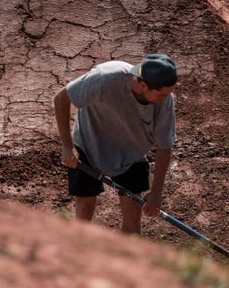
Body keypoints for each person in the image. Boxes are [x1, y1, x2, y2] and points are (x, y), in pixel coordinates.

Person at [54, 54, 177, 235]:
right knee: (84, 210)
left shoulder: (165, 101)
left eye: (168, 92)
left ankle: (127, 262)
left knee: (133, 217)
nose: (166, 98)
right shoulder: (106, 78)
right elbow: (61, 99)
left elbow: (164, 147)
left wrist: (157, 192)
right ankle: (78, 256)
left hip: (131, 151)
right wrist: (67, 145)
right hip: (89, 143)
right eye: (160, 93)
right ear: (143, 84)